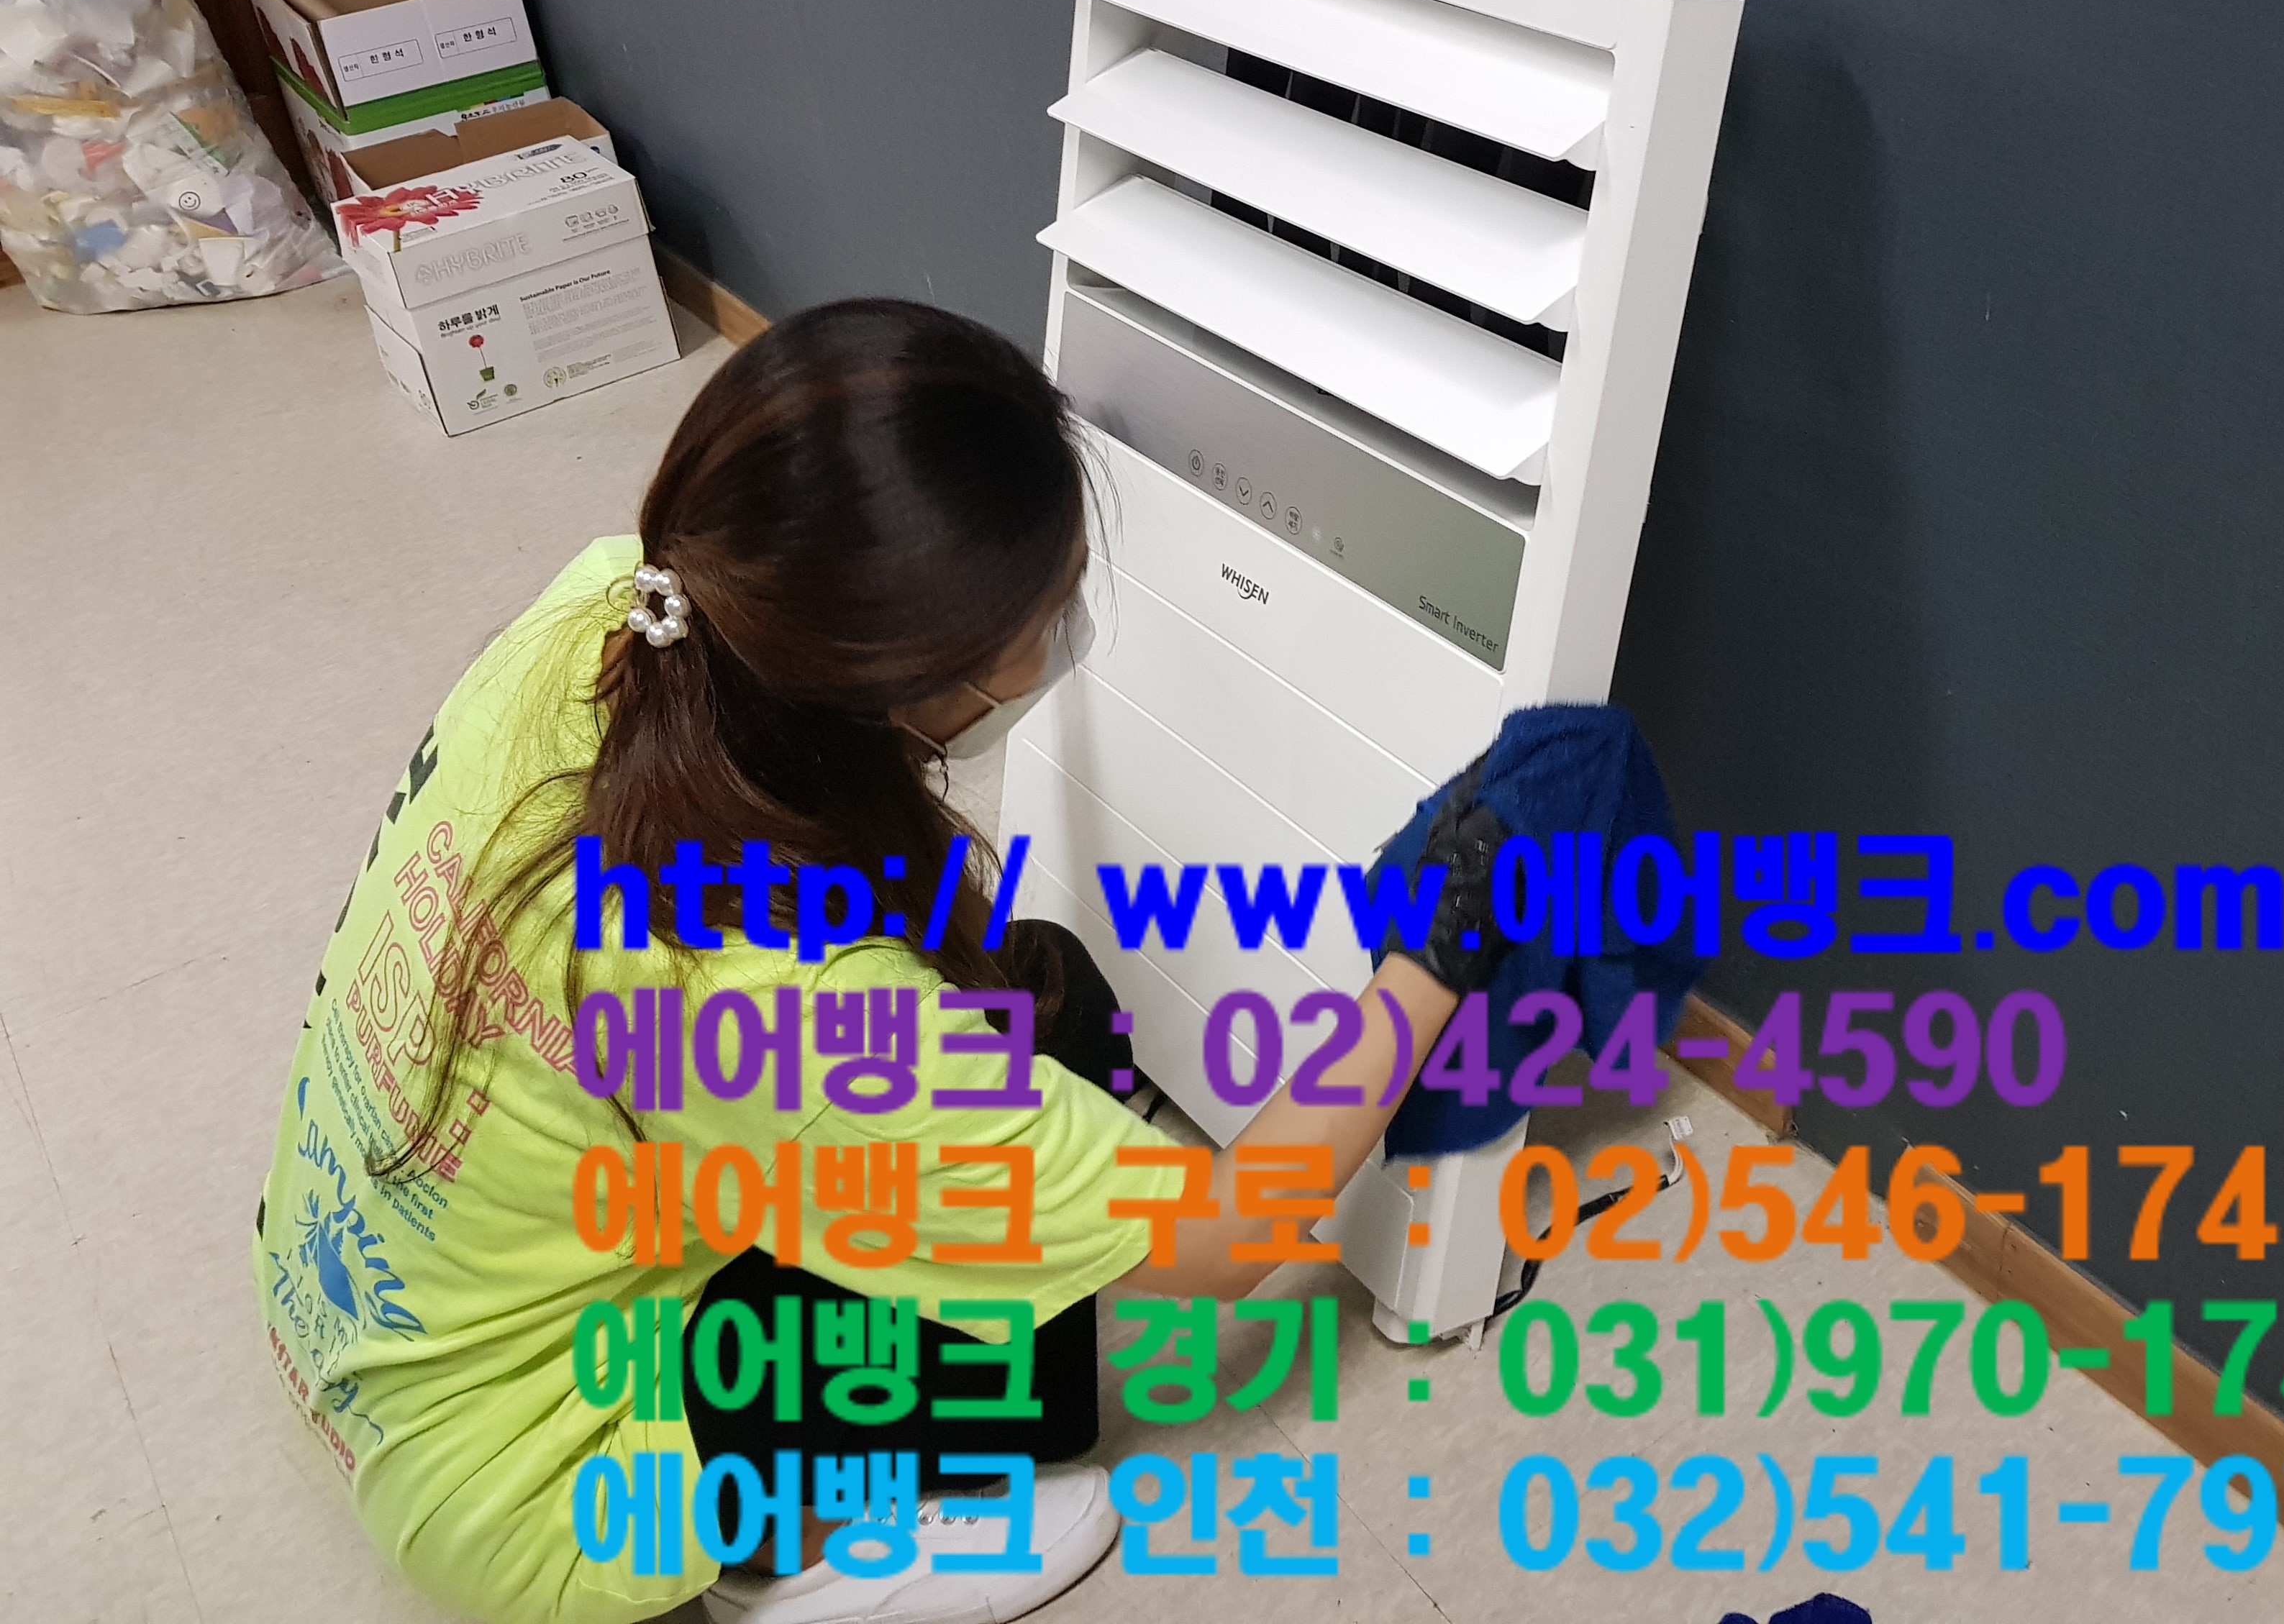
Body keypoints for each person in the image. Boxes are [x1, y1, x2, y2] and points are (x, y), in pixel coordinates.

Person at [255, 298, 1511, 1624]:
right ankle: (794, 1552)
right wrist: (1429, 960)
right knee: (1046, 1366)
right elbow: (1224, 1242)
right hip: (534, 1486)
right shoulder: (788, 1010)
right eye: (1053, 607)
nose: (1065, 632)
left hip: (358, 1301)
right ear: (911, 678)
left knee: (1051, 997)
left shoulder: (619, 610)